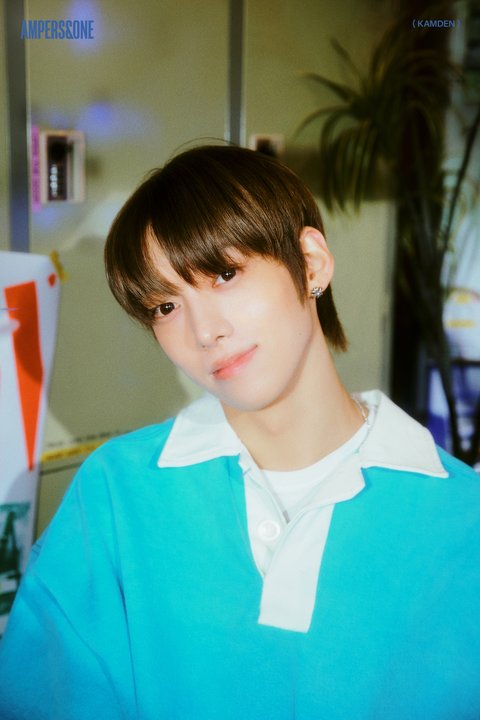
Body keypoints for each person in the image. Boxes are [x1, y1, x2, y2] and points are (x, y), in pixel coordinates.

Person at [0, 145, 479, 719]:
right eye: (166, 306)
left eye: (225, 275)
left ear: (311, 263)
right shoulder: (117, 490)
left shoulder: (461, 518)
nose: (205, 332)